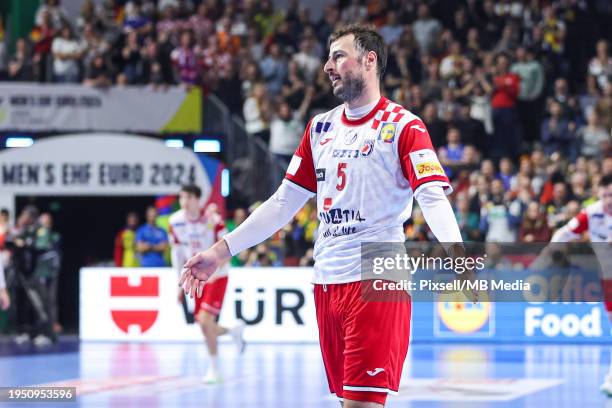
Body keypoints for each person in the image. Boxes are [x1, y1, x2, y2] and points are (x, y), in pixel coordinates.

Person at [180, 24, 466, 407]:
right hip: (326, 280)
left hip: (376, 279)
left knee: (361, 403)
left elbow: (431, 196)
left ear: (370, 61)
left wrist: (459, 255)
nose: (328, 66)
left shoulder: (404, 126)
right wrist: (218, 252)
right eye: (328, 57)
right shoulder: (320, 128)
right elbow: (283, 203)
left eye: (339, 56)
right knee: (347, 400)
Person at [169, 185, 244, 384]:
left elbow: (227, 249)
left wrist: (214, 272)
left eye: (188, 197)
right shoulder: (175, 221)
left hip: (217, 276)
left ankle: (214, 370)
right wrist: (179, 284)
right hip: (196, 277)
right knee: (205, 326)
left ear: (197, 200)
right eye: (181, 197)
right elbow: (176, 254)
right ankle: (232, 331)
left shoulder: (213, 220)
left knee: (204, 321)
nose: (184, 201)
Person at [548, 174, 612, 395]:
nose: (609, 200)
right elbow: (564, 233)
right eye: (605, 195)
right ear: (599, 195)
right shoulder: (591, 214)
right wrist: (552, 250)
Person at [34, 213, 62, 335]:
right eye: (41, 221)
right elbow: (37, 247)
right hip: (39, 272)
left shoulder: (54, 236)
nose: (42, 224)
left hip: (51, 272)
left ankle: (53, 325)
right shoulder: (36, 234)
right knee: (39, 300)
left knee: (51, 300)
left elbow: (46, 246)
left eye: (44, 221)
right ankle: (42, 325)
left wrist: (43, 233)